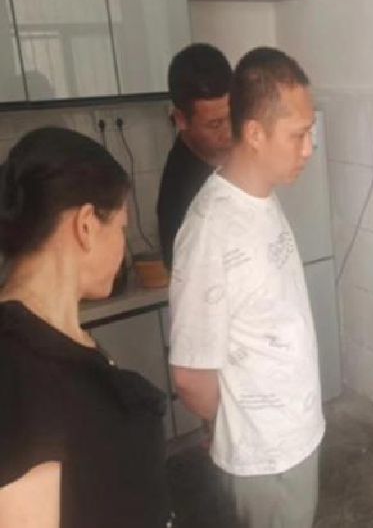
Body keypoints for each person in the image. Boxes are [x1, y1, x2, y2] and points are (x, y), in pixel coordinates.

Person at [169, 47, 323, 528]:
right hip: (263, 459)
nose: (309, 149)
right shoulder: (210, 230)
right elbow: (190, 377)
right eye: (297, 135)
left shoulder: (260, 197)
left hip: (295, 436)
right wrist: (239, 425)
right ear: (255, 133)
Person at [0, 127, 172, 528]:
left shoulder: (57, 338)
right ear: (87, 225)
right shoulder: (14, 373)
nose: (123, 245)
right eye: (122, 227)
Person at [157, 43, 233, 270]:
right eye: (214, 124)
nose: (229, 133)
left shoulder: (233, 154)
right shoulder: (181, 198)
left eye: (232, 116)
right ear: (180, 119)